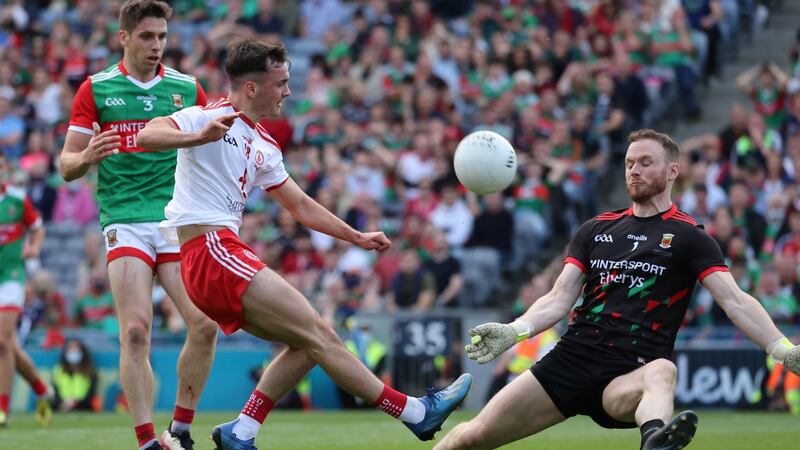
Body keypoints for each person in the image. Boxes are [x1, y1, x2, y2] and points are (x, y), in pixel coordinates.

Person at [137, 39, 471, 450]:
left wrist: (356, 236)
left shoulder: (263, 144)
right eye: (281, 83)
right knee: (319, 332)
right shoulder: (206, 117)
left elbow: (299, 205)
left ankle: (242, 431)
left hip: (217, 256)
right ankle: (416, 413)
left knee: (309, 342)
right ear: (252, 88)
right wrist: (196, 137)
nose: (288, 92)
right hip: (210, 250)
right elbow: (149, 134)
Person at [435, 129, 800, 450]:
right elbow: (559, 297)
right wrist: (514, 330)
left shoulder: (691, 236)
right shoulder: (595, 229)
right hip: (572, 360)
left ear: (673, 171)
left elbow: (734, 300)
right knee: (471, 438)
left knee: (663, 371)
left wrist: (782, 350)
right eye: (629, 163)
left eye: (645, 162)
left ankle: (655, 440)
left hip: (629, 373)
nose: (634, 171)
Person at [58, 1, 218, 449]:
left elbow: (212, 146)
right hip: (124, 220)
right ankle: (148, 442)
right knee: (135, 330)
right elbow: (67, 165)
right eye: (147, 36)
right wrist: (87, 157)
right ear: (124, 37)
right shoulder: (96, 89)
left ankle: (180, 432)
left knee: (204, 324)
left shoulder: (187, 89)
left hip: (174, 221)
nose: (157, 45)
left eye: (163, 37)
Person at [0, 152, 47, 427]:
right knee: (8, 345)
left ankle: (3, 408)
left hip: (11, 276)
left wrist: (34, 248)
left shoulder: (17, 200)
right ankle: (42, 390)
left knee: (4, 341)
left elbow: (37, 227)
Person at [52, 338, 99, 412]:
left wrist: (75, 403)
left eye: (76, 349)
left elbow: (91, 395)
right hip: (62, 406)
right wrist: (63, 403)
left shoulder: (90, 372)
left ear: (82, 352)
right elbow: (55, 393)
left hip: (84, 408)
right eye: (70, 349)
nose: (73, 352)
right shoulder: (58, 371)